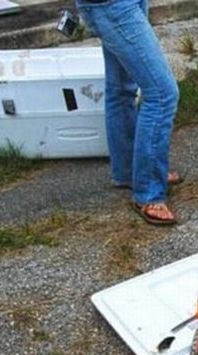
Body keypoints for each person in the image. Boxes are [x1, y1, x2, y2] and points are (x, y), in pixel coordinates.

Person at [75, 0, 180, 225]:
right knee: (162, 94)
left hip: (118, 4)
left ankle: (130, 172)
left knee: (121, 88)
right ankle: (148, 192)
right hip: (111, 6)